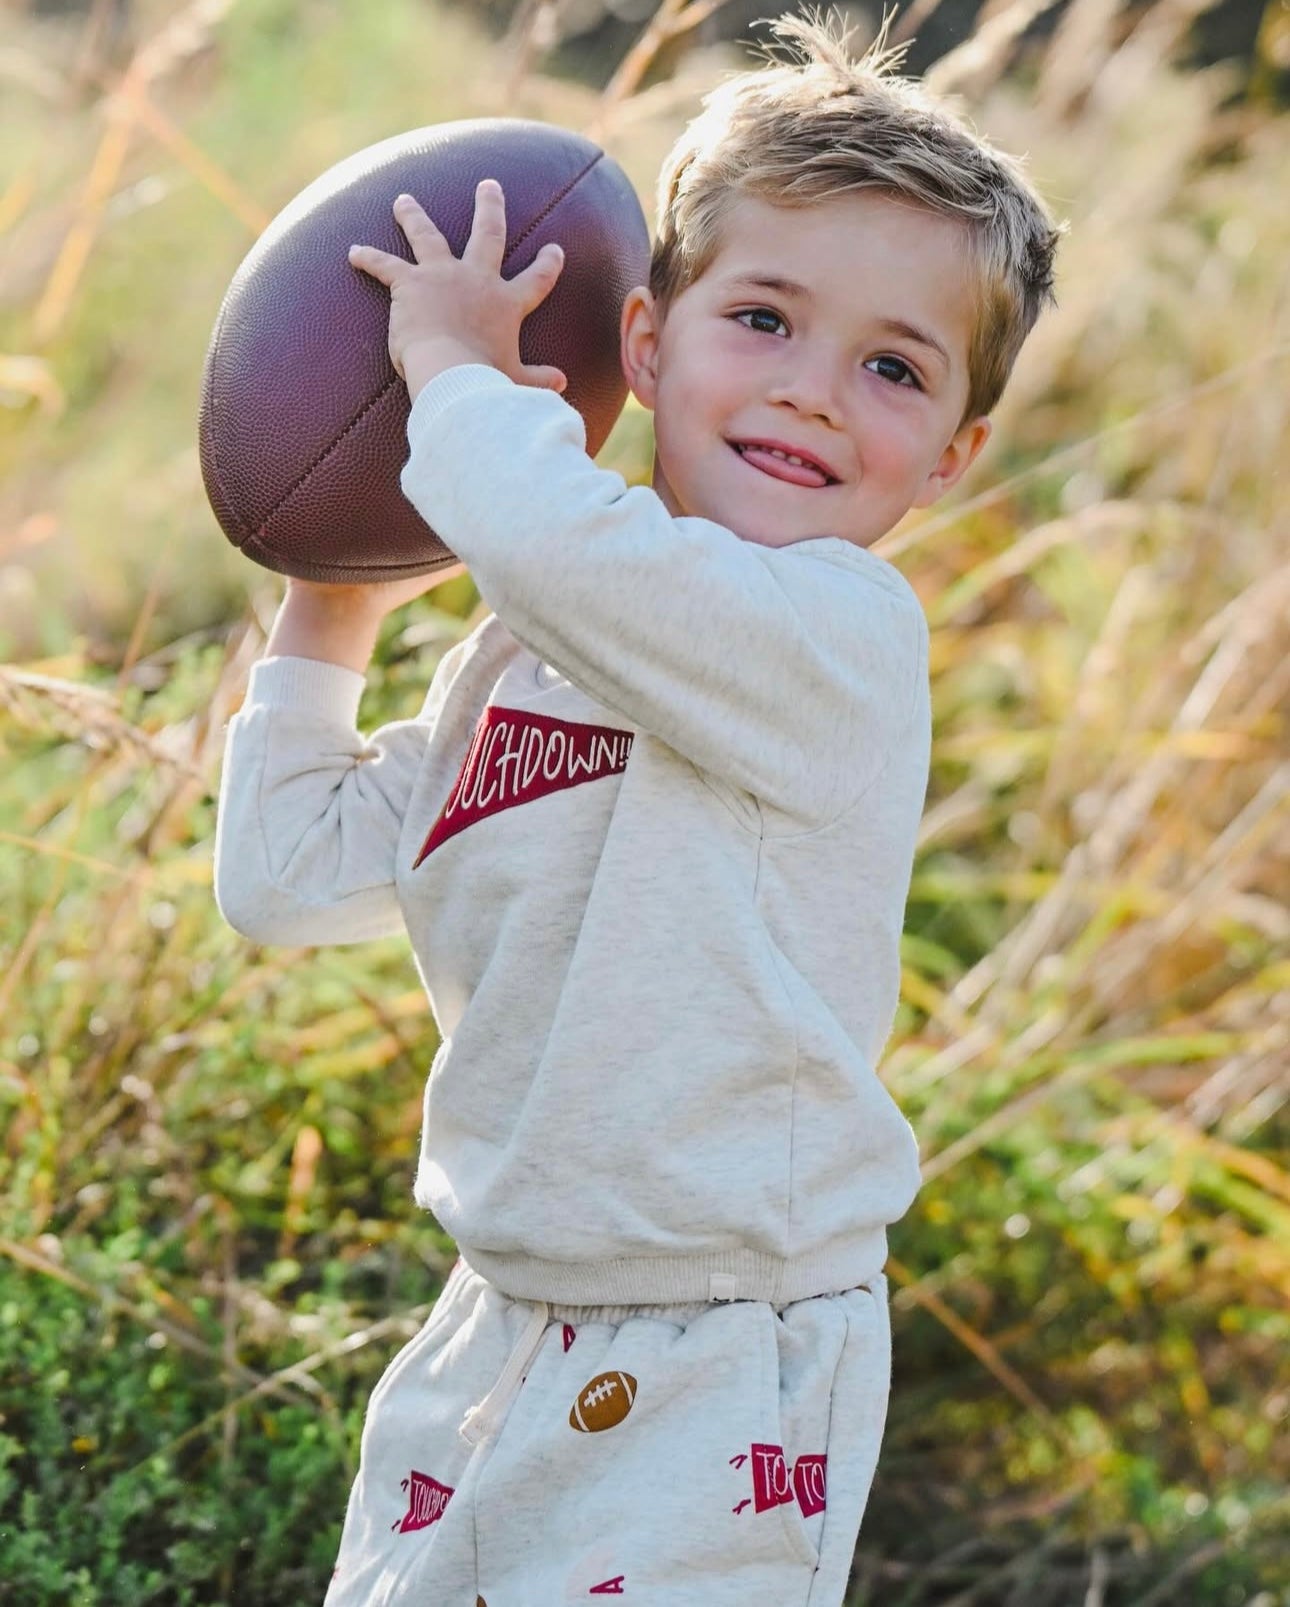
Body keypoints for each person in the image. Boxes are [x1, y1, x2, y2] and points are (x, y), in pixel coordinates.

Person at [214, 13, 1060, 1604]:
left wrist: (452, 372)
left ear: (950, 455)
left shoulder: (836, 643)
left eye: (890, 366)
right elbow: (287, 876)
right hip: (500, 1315)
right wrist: (331, 592)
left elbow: (558, 542)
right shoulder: (526, 653)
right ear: (647, 347)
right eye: (763, 319)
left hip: (722, 1351)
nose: (813, 393)